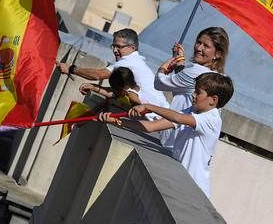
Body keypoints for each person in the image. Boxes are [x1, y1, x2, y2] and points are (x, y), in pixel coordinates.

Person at [100, 72, 234, 197]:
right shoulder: (192, 111)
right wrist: (118, 121)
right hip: (179, 181)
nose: (193, 95)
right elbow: (151, 127)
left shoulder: (211, 119)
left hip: (194, 189)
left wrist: (148, 106)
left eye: (198, 92)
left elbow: (178, 118)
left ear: (213, 100)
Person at [154, 27, 229, 148]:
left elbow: (159, 83)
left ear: (218, 54)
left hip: (173, 141)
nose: (199, 48)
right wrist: (179, 61)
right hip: (188, 144)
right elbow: (184, 85)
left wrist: (163, 68)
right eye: (198, 42)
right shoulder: (220, 78)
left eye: (206, 46)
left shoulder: (194, 71)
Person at [57, 28, 166, 105]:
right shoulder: (136, 61)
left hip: (155, 116)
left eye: (119, 47)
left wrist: (71, 69)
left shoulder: (128, 61)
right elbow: (118, 93)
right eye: (113, 46)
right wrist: (94, 87)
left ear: (132, 47)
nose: (114, 50)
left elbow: (98, 75)